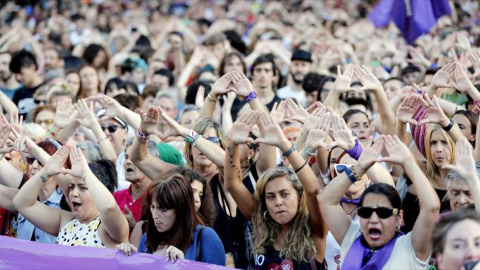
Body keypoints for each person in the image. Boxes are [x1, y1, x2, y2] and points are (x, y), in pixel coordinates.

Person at [225, 111, 328, 269]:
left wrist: (284, 144)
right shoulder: (261, 225)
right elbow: (233, 184)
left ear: (299, 196)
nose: (278, 202)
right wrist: (231, 144)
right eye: (270, 197)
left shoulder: (315, 230)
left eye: (285, 194)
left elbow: (313, 190)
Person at [318, 135, 440, 269]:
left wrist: (409, 163)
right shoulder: (351, 238)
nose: (373, 219)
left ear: (399, 217)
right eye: (366, 212)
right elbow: (325, 200)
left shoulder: (410, 246)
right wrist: (359, 168)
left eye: (383, 212)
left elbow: (431, 207)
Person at [12, 145, 129, 248]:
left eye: (83, 188)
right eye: (72, 187)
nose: (74, 193)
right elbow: (21, 203)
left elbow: (109, 207)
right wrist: (46, 172)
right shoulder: (65, 220)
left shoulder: (108, 228)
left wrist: (86, 174)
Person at [117, 174, 225, 266]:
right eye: (152, 207)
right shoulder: (146, 239)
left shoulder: (206, 237)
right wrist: (126, 258)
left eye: (163, 209)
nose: (155, 215)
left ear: (181, 209)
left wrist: (185, 266)